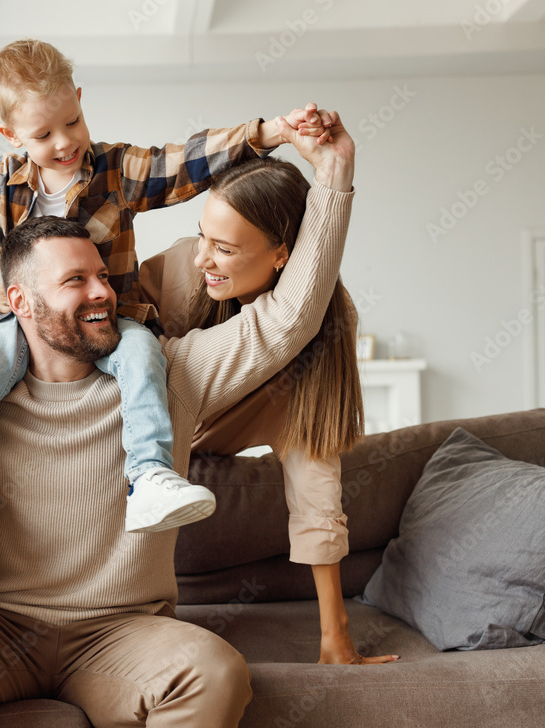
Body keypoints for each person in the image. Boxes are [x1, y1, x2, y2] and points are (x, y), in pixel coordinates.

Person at [0, 104, 353, 726]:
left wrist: (334, 173)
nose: (103, 291)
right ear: (19, 301)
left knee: (215, 673)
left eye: (102, 275)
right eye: (75, 280)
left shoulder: (170, 374)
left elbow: (290, 318)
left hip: (121, 632)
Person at [0, 38, 333, 533]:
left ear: (79, 100)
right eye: (42, 135)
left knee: (146, 363)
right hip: (27, 330)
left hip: (117, 326)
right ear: (11, 136)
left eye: (72, 122)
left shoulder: (116, 170)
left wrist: (273, 132)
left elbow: (188, 159)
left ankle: (147, 473)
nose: (64, 143)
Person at [139, 152, 400, 666]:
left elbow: (314, 476)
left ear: (282, 254)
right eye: (203, 237)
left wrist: (336, 633)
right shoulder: (178, 271)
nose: (202, 259)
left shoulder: (323, 324)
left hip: (225, 433)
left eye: (225, 248)